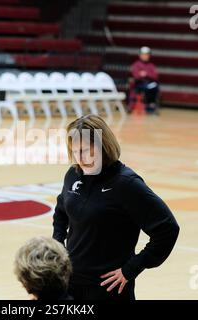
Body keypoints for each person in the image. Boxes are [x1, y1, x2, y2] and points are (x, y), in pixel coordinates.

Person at [52, 114, 180, 300]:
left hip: (108, 289)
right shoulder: (73, 175)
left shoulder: (126, 183)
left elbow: (167, 228)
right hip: (70, 283)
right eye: (76, 151)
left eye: (87, 150)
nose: (81, 158)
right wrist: (58, 245)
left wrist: (131, 269)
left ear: (104, 146)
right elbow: (62, 209)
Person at [131, 46, 159, 113]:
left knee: (154, 87)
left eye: (147, 54)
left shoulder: (151, 65)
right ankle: (146, 105)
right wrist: (142, 75)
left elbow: (155, 76)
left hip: (149, 84)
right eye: (143, 54)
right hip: (139, 85)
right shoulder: (136, 65)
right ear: (140, 55)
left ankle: (151, 105)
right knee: (146, 88)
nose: (145, 56)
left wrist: (146, 74)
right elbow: (136, 76)